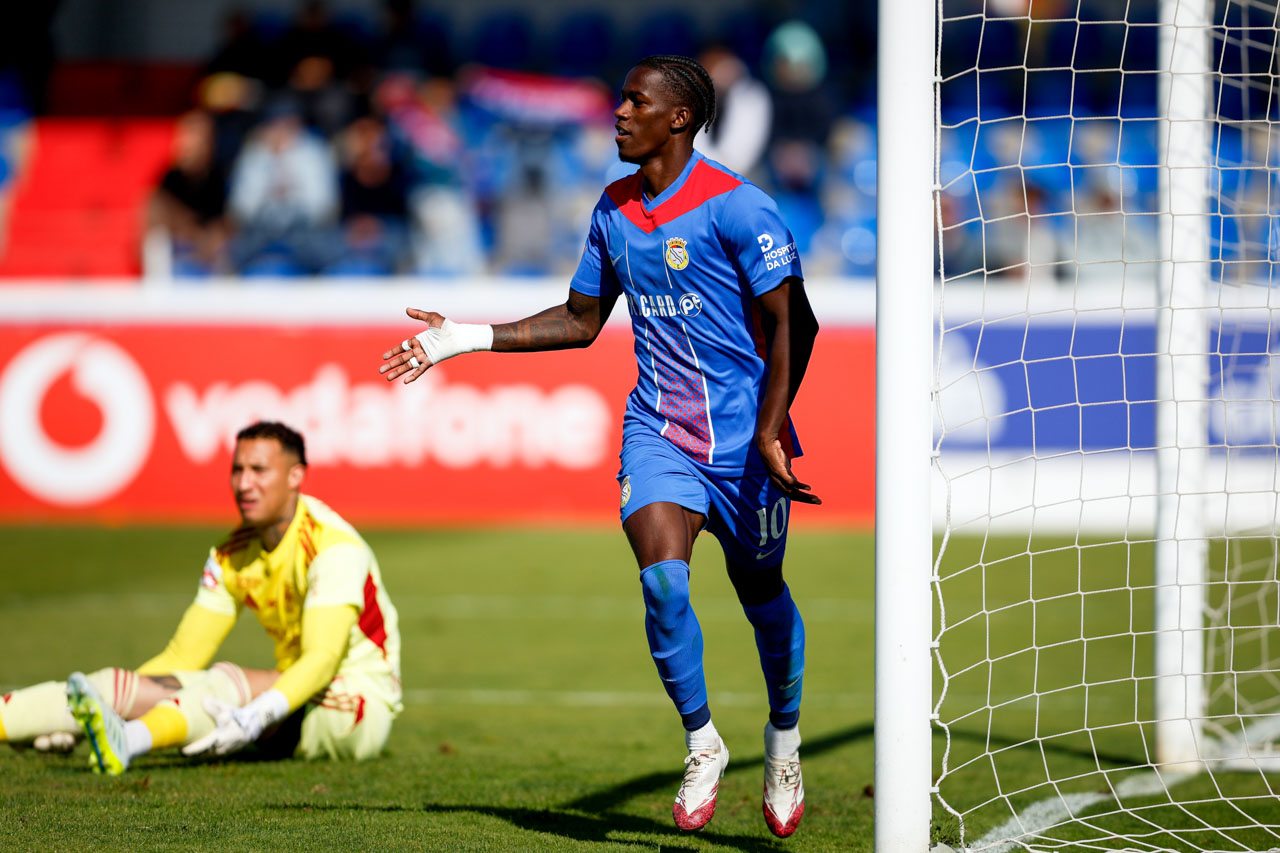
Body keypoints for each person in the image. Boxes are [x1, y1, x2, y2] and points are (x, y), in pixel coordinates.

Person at [378, 54, 819, 838]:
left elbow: (797, 322)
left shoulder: (737, 208)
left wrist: (769, 427)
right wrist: (467, 337)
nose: (618, 113)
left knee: (764, 598)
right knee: (662, 586)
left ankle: (782, 740)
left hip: (746, 445)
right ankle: (702, 741)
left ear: (678, 117)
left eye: (634, 101)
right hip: (659, 432)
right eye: (621, 100)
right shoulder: (613, 211)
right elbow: (583, 322)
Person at [0, 421, 402, 774]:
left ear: (296, 476)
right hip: (288, 698)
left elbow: (322, 660)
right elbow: (180, 659)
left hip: (355, 706)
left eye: (259, 470)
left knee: (226, 683)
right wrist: (102, 712)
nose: (244, 483)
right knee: (120, 685)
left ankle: (129, 741)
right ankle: (51, 723)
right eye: (237, 470)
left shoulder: (333, 546)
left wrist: (258, 713)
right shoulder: (231, 553)